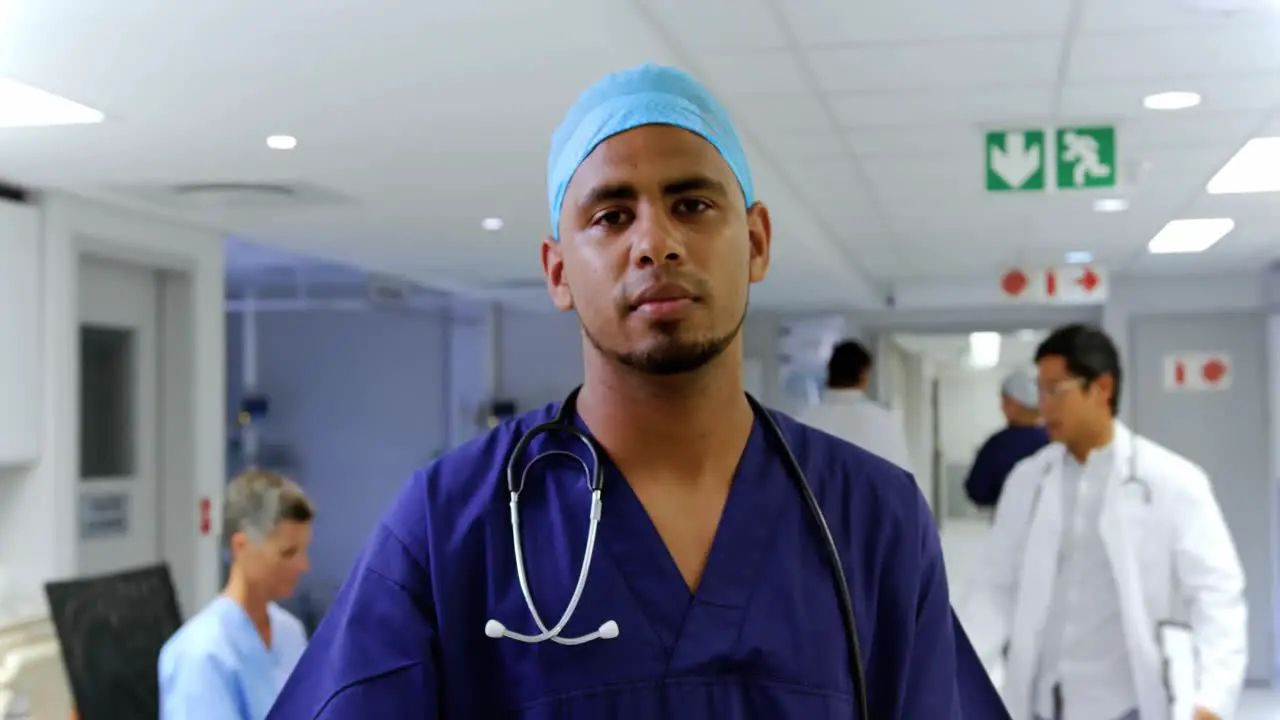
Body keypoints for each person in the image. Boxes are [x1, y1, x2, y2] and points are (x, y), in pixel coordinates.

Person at [268, 63, 1006, 719]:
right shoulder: (450, 526)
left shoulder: (873, 522)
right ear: (558, 272)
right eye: (611, 216)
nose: (655, 241)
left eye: (692, 205)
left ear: (755, 243)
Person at [967, 324, 1246, 720]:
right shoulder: (1027, 481)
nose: (1043, 405)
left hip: (1128, 703)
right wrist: (956, 681)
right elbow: (993, 588)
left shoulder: (1172, 481)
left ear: (1102, 388)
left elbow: (1217, 595)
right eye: (1040, 390)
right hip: (1042, 702)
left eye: (1055, 390)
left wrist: (1211, 698)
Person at [159, 469, 314, 720]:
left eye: (304, 551)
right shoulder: (201, 655)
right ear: (241, 547)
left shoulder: (290, 632)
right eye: (288, 553)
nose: (303, 566)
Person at [797, 339, 914, 474]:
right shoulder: (883, 422)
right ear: (864, 375)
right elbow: (901, 482)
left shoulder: (804, 421)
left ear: (830, 371)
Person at [963, 366, 1050, 511]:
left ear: (1014, 404)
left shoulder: (998, 445)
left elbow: (978, 491)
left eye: (1004, 401)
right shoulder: (1058, 440)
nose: (1001, 407)